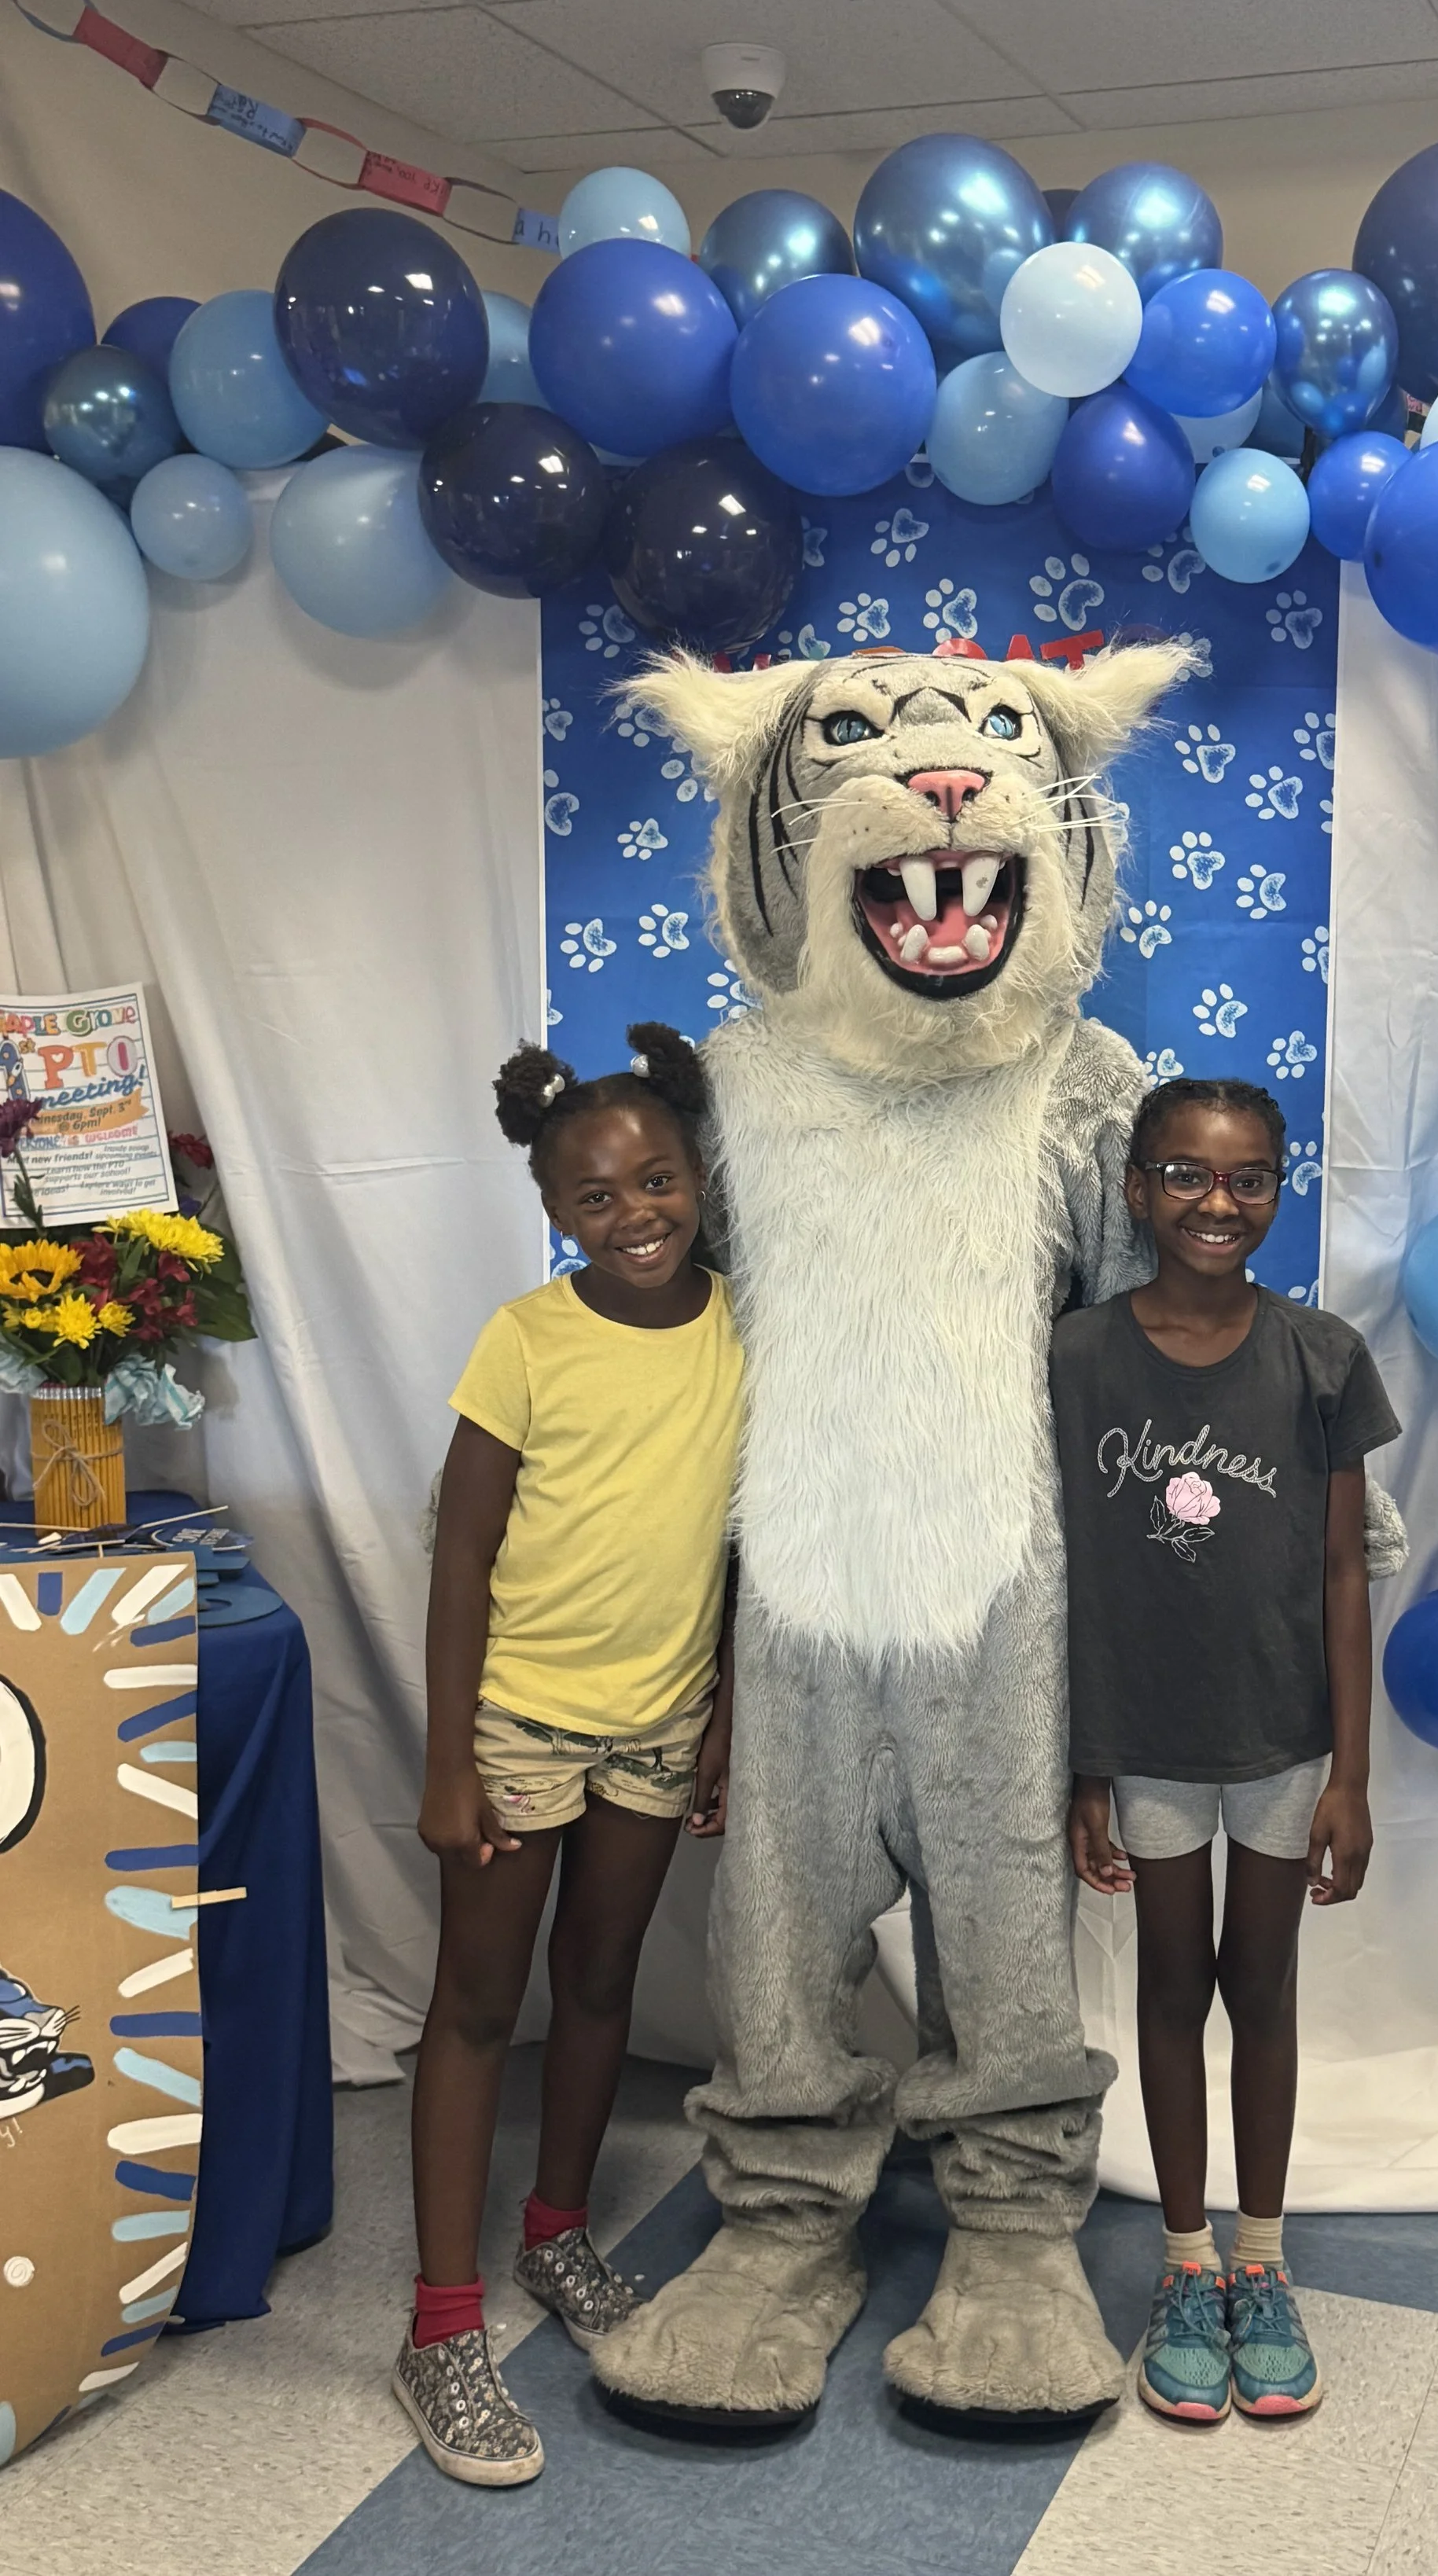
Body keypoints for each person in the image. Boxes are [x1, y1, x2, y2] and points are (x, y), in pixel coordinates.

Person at [392, 1022, 742, 2487]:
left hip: (658, 1722)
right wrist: (447, 1762)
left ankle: (556, 2237)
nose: (635, 1215)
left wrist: (717, 1710)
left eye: (656, 1181)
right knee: (479, 2006)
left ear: (696, 1178)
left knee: (602, 1982)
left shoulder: (743, 1328)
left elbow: (738, 1543)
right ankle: (440, 2325)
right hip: (521, 1721)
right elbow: (461, 1554)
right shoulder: (526, 1339)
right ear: (553, 1214)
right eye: (596, 1199)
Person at [1051, 1075, 1400, 2427]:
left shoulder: (1322, 1356)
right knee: (1165, 1994)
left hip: (1281, 1745)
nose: (1218, 1201)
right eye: (1188, 1175)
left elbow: (1342, 1573)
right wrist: (1087, 1765)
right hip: (1142, 1743)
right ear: (1138, 1190)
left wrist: (1354, 1777)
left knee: (1264, 1990)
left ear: (1278, 1191)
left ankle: (1263, 2260)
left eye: (1249, 1177)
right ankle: (1182, 2271)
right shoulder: (1077, 1357)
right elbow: (1063, 1575)